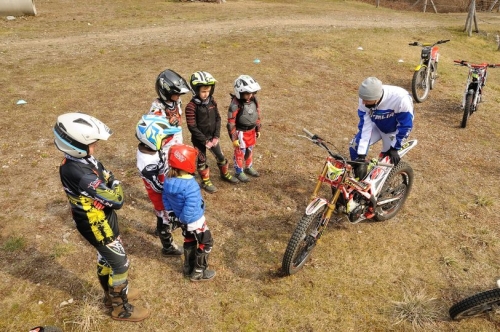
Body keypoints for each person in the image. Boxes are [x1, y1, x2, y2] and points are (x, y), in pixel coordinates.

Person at [53, 113, 149, 322]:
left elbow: (106, 173)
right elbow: (118, 199)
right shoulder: (81, 173)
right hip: (96, 224)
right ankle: (120, 308)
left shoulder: (82, 160)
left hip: (100, 218)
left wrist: (110, 184)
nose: (95, 147)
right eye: (92, 144)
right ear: (76, 145)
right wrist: (114, 186)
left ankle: (111, 295)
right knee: (120, 263)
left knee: (106, 259)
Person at [163, 144, 216, 282]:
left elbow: (165, 198)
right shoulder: (190, 185)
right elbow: (191, 206)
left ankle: (188, 267)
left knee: (189, 239)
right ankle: (198, 271)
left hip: (180, 219)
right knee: (207, 243)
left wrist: (173, 215)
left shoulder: (168, 180)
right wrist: (185, 219)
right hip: (194, 220)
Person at [136, 114, 184, 256]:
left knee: (162, 217)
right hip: (160, 196)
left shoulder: (151, 149)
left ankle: (160, 229)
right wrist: (173, 190)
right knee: (165, 218)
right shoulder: (146, 163)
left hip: (163, 186)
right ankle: (167, 246)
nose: (165, 142)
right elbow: (157, 187)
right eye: (163, 140)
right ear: (152, 139)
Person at [349, 77, 414, 179]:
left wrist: (395, 147)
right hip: (376, 126)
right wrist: (361, 156)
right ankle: (359, 180)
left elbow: (405, 126)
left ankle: (378, 186)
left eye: (366, 101)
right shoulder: (365, 97)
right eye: (362, 99)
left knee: (385, 163)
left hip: (393, 132)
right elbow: (365, 126)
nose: (363, 103)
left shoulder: (400, 99)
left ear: (377, 97)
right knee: (354, 147)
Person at [185, 71, 239, 193]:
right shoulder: (191, 107)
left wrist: (216, 136)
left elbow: (218, 119)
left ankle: (224, 174)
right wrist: (204, 141)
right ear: (195, 90)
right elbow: (192, 126)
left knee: (220, 156)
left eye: (208, 91)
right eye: (203, 91)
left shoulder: (212, 102)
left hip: (212, 137)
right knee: (201, 160)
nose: (206, 94)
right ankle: (205, 181)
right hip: (199, 140)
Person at [227, 75, 262, 183]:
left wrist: (258, 128)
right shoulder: (235, 104)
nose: (250, 95)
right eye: (247, 93)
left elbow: (257, 114)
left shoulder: (253, 100)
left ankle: (249, 166)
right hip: (241, 132)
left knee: (249, 150)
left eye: (251, 93)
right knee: (240, 152)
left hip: (251, 131)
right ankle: (238, 171)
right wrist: (234, 138)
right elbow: (231, 122)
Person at [148, 69, 191, 155]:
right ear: (167, 92)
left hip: (177, 135)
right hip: (165, 140)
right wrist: (168, 121)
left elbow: (179, 114)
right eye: (177, 94)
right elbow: (154, 123)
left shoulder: (177, 101)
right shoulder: (158, 106)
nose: (179, 96)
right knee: (166, 160)